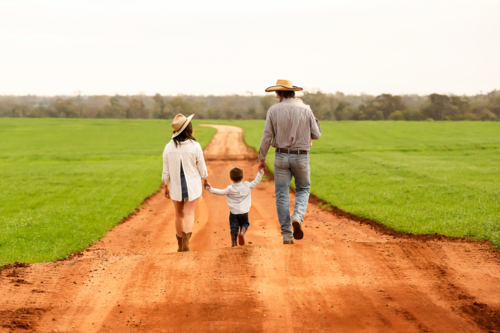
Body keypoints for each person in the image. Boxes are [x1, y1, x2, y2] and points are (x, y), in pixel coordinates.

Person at [257, 79, 321, 244]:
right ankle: (297, 217)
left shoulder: (273, 110)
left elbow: (266, 137)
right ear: (293, 92)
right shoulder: (306, 109)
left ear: (279, 94)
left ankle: (286, 235)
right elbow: (316, 134)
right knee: (303, 189)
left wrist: (262, 158)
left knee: (281, 194)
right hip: (301, 156)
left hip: (281, 156)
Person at [162, 113, 210, 252]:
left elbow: (166, 169)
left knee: (178, 214)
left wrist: (165, 185)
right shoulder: (195, 145)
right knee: (189, 213)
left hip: (176, 182)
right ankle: (186, 242)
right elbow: (201, 165)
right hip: (192, 182)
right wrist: (205, 179)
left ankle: (179, 243)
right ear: (189, 128)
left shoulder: (169, 147)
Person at [205, 167, 264, 247]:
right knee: (245, 224)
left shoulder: (230, 189)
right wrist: (261, 172)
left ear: (231, 178)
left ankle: (234, 243)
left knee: (233, 227)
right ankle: (242, 232)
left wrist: (208, 189)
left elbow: (220, 192)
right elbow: (256, 181)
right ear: (242, 177)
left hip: (234, 213)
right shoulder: (247, 186)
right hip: (244, 212)